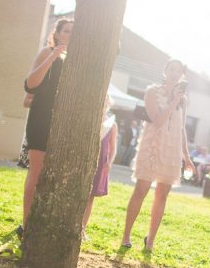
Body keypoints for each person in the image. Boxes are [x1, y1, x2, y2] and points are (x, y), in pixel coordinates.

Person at [121, 59, 195, 252]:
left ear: (182, 75)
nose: (175, 73)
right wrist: (173, 102)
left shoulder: (184, 100)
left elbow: (182, 129)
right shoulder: (152, 91)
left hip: (172, 149)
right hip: (153, 145)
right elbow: (157, 120)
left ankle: (151, 240)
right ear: (165, 71)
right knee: (141, 190)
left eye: (179, 71)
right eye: (172, 69)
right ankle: (126, 236)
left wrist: (187, 157)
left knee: (162, 194)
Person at [19, 17, 72, 235]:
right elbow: (30, 85)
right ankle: (27, 224)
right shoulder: (47, 52)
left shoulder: (78, 61)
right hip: (41, 118)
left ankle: (47, 225)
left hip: (65, 123)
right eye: (67, 30)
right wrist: (53, 56)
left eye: (74, 32)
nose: (70, 35)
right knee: (37, 172)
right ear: (58, 33)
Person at [82, 95, 118, 238]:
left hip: (100, 162)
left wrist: (109, 162)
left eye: (106, 99)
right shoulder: (88, 117)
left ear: (109, 102)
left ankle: (82, 229)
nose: (104, 101)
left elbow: (113, 147)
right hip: (84, 159)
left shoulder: (112, 123)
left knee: (90, 197)